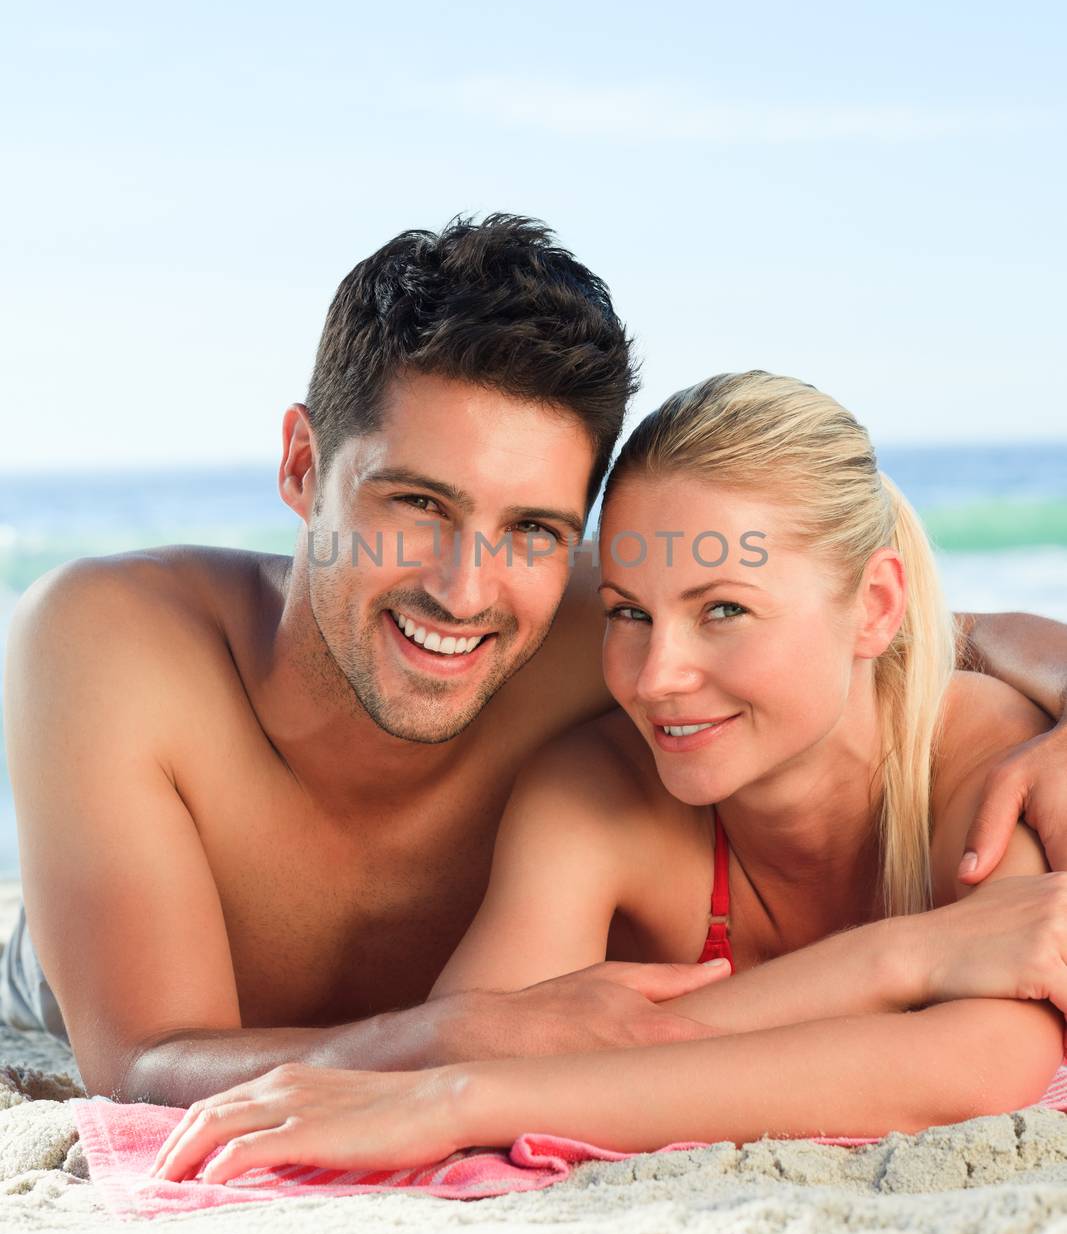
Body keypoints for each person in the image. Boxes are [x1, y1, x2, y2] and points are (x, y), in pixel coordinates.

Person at [3, 221, 1066, 1107]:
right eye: (417, 503)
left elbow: (877, 621)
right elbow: (139, 1062)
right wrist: (466, 1034)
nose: (466, 592)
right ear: (301, 464)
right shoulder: (112, 641)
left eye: (533, 529)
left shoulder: (609, 632)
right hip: (77, 977)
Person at [148, 370, 1067, 1182]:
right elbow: (477, 1034)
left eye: (723, 611)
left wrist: (464, 1103)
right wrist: (903, 958)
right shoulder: (593, 790)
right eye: (628, 613)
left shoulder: (979, 755)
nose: (656, 676)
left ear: (872, 607)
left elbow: (982, 1060)